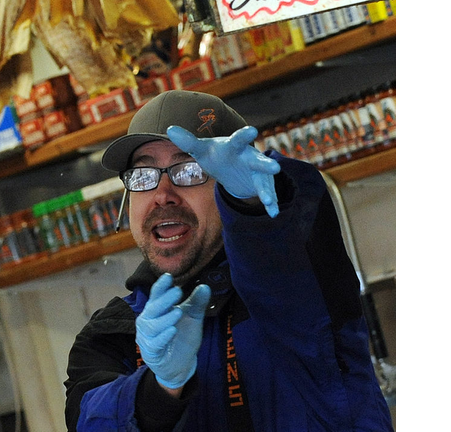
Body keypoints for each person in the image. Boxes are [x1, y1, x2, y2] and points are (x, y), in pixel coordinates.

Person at [63, 90, 394, 431]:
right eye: (144, 176)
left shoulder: (292, 289)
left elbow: (283, 257)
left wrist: (250, 202)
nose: (162, 195)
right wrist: (159, 389)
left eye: (189, 169)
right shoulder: (109, 334)